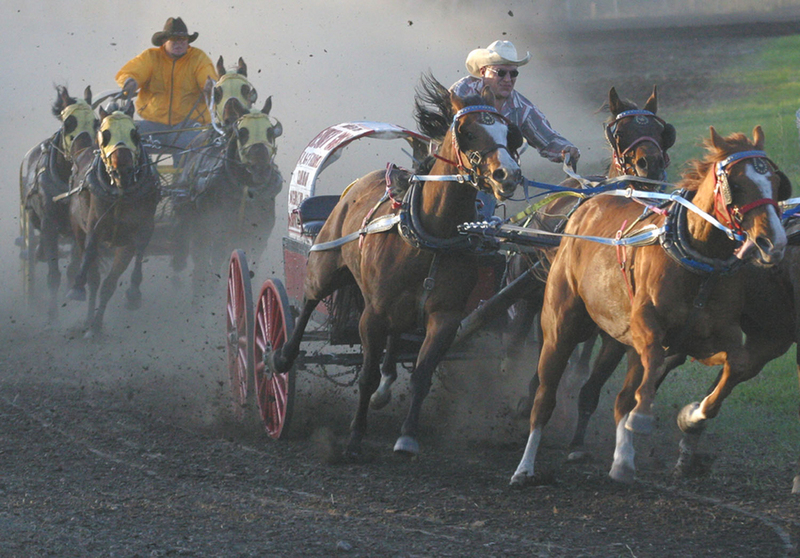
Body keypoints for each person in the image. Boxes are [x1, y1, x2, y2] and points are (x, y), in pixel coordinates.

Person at [450, 40, 580, 167]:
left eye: (513, 73)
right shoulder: (463, 90)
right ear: (483, 72)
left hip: (497, 176)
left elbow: (548, 139)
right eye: (501, 73)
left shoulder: (522, 109)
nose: (507, 79)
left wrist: (566, 149)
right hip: (456, 169)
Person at [115, 17, 218, 155]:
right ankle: (141, 175)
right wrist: (130, 82)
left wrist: (209, 86)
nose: (179, 44)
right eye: (174, 40)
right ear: (164, 41)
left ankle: (184, 177)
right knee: (127, 138)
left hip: (188, 126)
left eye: (183, 40)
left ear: (188, 41)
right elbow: (133, 72)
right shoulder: (150, 57)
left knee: (187, 147)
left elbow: (208, 78)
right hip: (154, 124)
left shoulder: (198, 58)